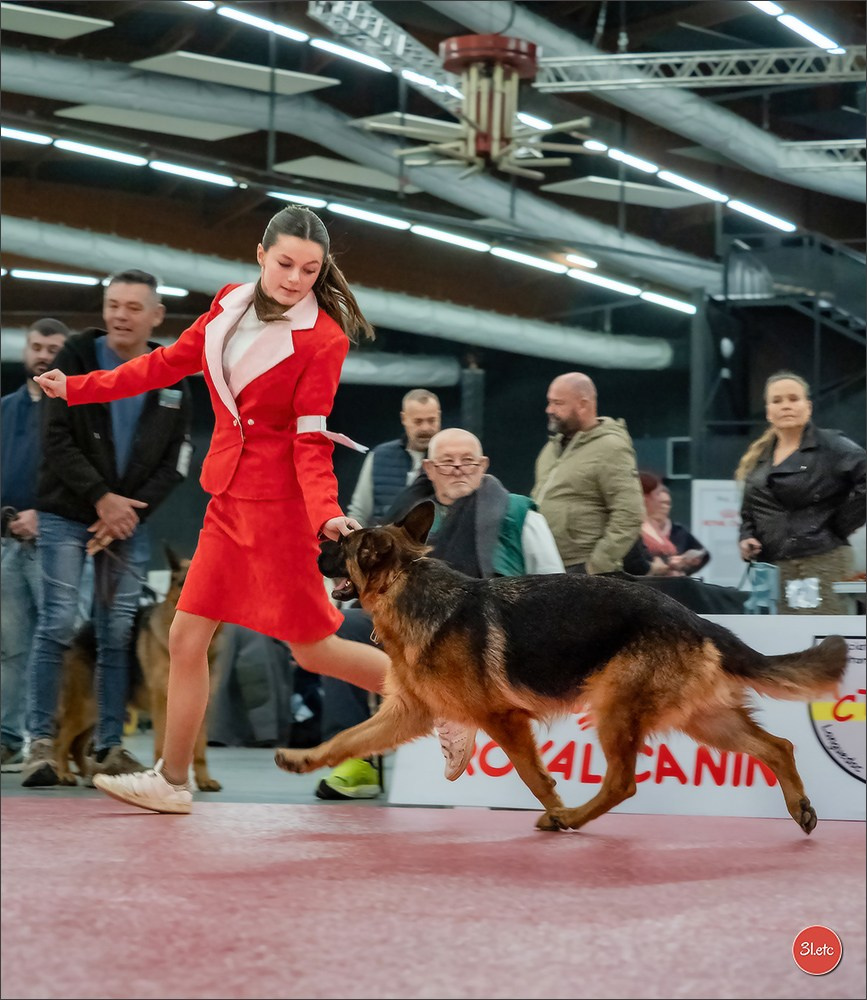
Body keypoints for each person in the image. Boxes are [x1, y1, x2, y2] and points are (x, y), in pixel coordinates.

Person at [34, 205, 464, 813]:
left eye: (310, 269)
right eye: (285, 263)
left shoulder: (325, 339)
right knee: (185, 639)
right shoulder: (228, 306)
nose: (295, 278)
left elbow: (311, 441)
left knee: (313, 649)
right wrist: (77, 387)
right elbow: (164, 364)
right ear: (261, 255)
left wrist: (327, 514)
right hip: (226, 502)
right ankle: (172, 779)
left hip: (281, 510)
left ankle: (446, 705)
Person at [317, 426, 565, 799]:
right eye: (447, 462)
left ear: (483, 466)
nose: (458, 469)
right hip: (405, 626)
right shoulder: (403, 517)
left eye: (467, 461)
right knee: (339, 628)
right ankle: (359, 764)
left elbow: (554, 583)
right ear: (429, 469)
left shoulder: (519, 513)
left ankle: (440, 707)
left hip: (488, 634)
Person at [21, 271, 194, 789]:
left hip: (128, 521)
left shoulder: (173, 379)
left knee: (117, 632)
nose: (120, 315)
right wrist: (102, 498)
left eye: (133, 307)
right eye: (113, 305)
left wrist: (127, 513)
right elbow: (55, 439)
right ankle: (39, 745)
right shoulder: (71, 361)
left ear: (156, 316)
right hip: (65, 513)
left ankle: (109, 747)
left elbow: (176, 461)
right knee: (55, 624)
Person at [735, 370, 866, 615]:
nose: (786, 406)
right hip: (772, 568)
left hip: (820, 561)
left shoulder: (832, 445)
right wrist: (746, 535)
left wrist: (840, 523)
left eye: (793, 399)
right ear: (767, 411)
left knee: (823, 641)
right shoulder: (759, 457)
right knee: (786, 646)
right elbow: (750, 509)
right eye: (777, 401)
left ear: (808, 406)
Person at [1, 319, 70, 769]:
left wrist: (44, 517)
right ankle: (7, 736)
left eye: (53, 349)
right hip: (8, 546)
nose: (42, 355)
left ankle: (52, 741)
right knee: (11, 647)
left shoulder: (77, 409)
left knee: (59, 641)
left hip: (60, 542)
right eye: (36, 346)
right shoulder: (5, 409)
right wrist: (9, 521)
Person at [532, 371, 644, 574]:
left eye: (558, 403)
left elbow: (629, 514)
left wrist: (595, 567)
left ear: (583, 404)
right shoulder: (550, 449)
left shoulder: (611, 448)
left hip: (582, 570)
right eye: (549, 402)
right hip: (546, 566)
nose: (549, 409)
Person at [346, 388, 441, 525]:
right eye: (418, 421)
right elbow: (359, 512)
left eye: (432, 420)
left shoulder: (450, 459)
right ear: (404, 418)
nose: (425, 428)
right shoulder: (380, 456)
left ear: (439, 416)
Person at [623, 473, 710, 578]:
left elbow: (704, 555)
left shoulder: (675, 530)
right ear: (645, 498)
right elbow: (636, 562)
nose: (665, 507)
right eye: (659, 497)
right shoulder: (634, 526)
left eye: (667, 503)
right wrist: (662, 567)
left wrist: (681, 566)